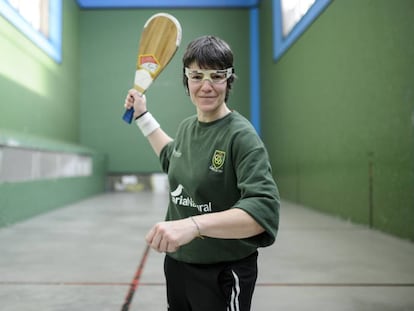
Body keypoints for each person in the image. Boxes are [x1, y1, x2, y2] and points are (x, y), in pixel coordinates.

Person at [124, 35, 280, 311]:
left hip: (223, 272)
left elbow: (262, 211)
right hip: (179, 265)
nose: (206, 86)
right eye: (196, 76)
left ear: (228, 80)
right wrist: (142, 116)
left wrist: (194, 225)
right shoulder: (187, 128)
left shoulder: (241, 136)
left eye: (216, 76)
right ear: (187, 81)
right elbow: (172, 158)